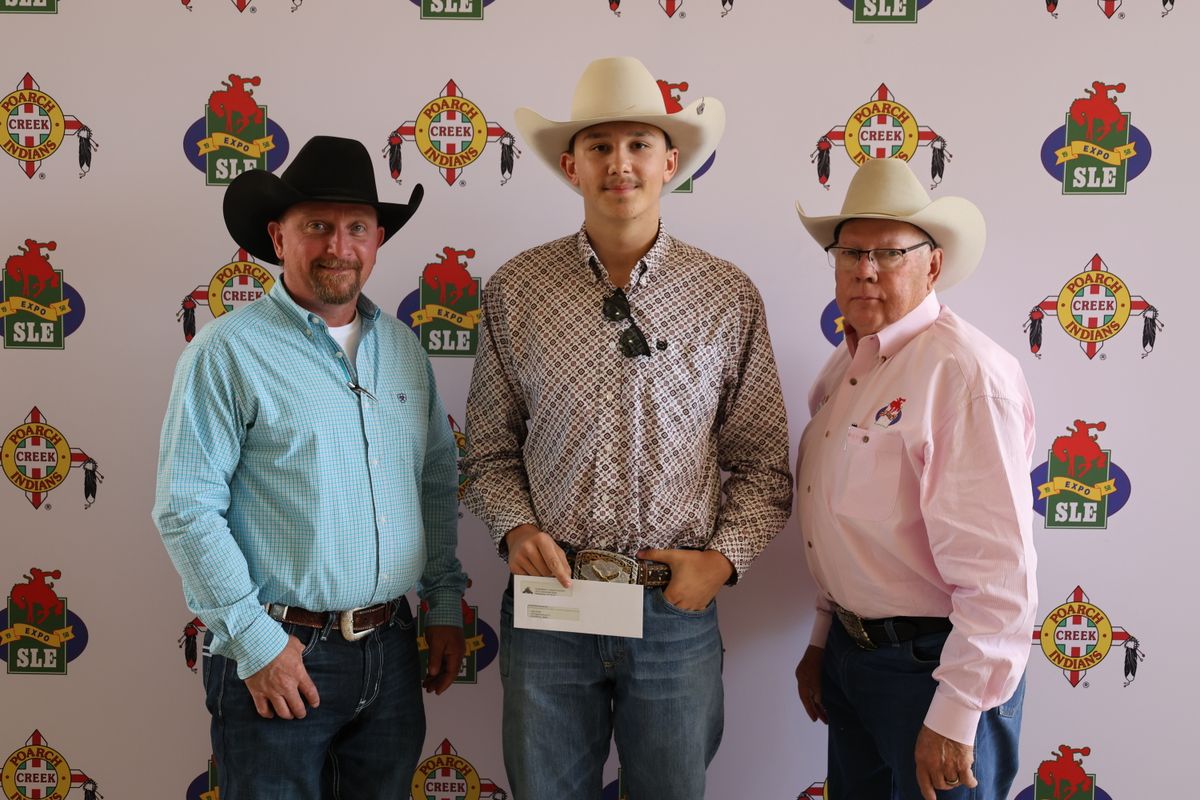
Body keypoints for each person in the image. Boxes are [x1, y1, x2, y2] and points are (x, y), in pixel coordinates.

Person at [462, 56, 793, 799]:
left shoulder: (726, 294)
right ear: (571, 166)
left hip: (673, 610)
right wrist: (516, 528)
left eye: (640, 144)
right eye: (600, 146)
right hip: (553, 601)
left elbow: (764, 464)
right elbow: (487, 451)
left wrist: (722, 562)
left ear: (670, 163)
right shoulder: (517, 289)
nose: (620, 163)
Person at [152, 135, 467, 799]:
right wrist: (256, 642)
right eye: (317, 226)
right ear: (278, 236)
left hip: (392, 649)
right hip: (280, 647)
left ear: (378, 239)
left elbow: (435, 483)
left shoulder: (404, 350)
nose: (338, 246)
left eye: (357, 228)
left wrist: (442, 603)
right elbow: (186, 508)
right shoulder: (226, 352)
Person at [792, 157, 1037, 800]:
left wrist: (957, 712)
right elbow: (841, 525)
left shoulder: (963, 375)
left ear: (933, 266)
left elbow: (999, 573)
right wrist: (822, 639)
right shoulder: (843, 368)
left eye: (889, 253)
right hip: (854, 658)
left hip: (935, 671)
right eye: (850, 252)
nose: (865, 270)